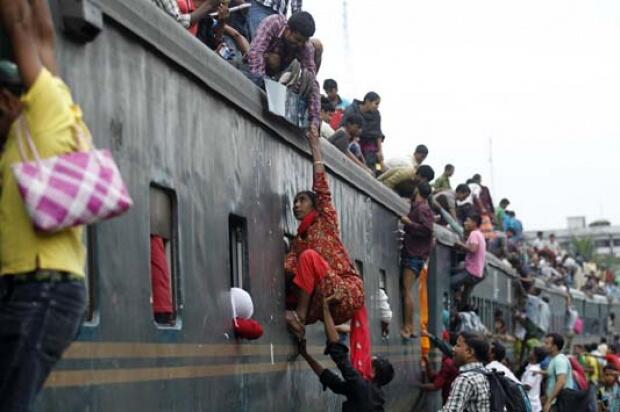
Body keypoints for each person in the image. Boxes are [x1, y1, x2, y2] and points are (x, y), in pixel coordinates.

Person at [0, 0, 90, 410]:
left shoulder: (43, 113)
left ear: (6, 101)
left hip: (42, 288)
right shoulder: (58, 112)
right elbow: (45, 36)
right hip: (38, 287)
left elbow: (22, 25)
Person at [283, 131, 365, 342]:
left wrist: (316, 147)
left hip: (346, 291)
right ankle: (299, 328)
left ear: (315, 205)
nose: (296, 205)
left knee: (308, 257)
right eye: (294, 202)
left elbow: (321, 186)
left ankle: (300, 317)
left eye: (302, 200)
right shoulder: (297, 244)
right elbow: (288, 269)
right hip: (326, 302)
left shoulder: (324, 219)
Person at [299, 295, 394, 412]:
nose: (365, 362)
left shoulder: (360, 386)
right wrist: (306, 355)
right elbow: (331, 380)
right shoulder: (373, 394)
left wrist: (325, 308)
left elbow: (338, 354)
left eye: (368, 362)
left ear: (373, 372)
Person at [246, 11, 321, 136]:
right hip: (260, 68)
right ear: (288, 30)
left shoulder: (305, 46)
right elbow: (256, 52)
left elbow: (313, 82)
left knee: (307, 76)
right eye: (297, 40)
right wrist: (262, 82)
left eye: (303, 41)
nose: (299, 44)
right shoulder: (273, 23)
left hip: (282, 77)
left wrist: (315, 119)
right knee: (273, 59)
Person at [399, 181, 434, 339]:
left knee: (406, 291)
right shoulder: (421, 207)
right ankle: (410, 327)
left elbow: (427, 230)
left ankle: (408, 327)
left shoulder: (423, 209)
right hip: (416, 255)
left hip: (413, 255)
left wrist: (409, 224)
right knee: (408, 291)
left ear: (417, 190)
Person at [442, 332, 491, 412]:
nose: (453, 349)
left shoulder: (465, 379)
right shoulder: (487, 374)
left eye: (457, 345)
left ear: (469, 352)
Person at [339, 92, 384, 173]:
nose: (377, 107)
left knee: (372, 157)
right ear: (367, 101)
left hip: (368, 144)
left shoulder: (376, 115)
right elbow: (343, 126)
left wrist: (380, 151)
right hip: (351, 139)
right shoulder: (352, 109)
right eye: (376, 103)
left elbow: (378, 133)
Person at [452, 214, 487, 310]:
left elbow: (473, 249)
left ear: (474, 223)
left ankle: (455, 301)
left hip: (471, 271)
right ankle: (460, 306)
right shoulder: (480, 235)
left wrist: (460, 245)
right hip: (477, 272)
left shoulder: (474, 234)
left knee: (449, 283)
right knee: (453, 272)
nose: (465, 223)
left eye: (467, 221)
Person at [418, 331, 459, 404]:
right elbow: (435, 379)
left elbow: (436, 385)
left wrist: (414, 386)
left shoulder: (449, 363)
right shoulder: (450, 362)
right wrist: (427, 364)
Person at [543, 333, 575, 412]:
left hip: (559, 403)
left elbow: (561, 381)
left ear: (555, 347)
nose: (544, 346)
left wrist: (549, 401)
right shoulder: (554, 359)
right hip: (555, 402)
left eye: (547, 344)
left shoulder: (559, 360)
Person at [152, 0, 220, 34]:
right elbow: (176, 23)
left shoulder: (206, 19)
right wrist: (209, 5)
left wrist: (222, 21)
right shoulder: (183, 4)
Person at [521, 347, 546, 412]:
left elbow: (527, 386)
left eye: (531, 352)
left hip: (531, 405)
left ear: (535, 356)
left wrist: (514, 386)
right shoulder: (531, 367)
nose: (529, 353)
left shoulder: (533, 370)